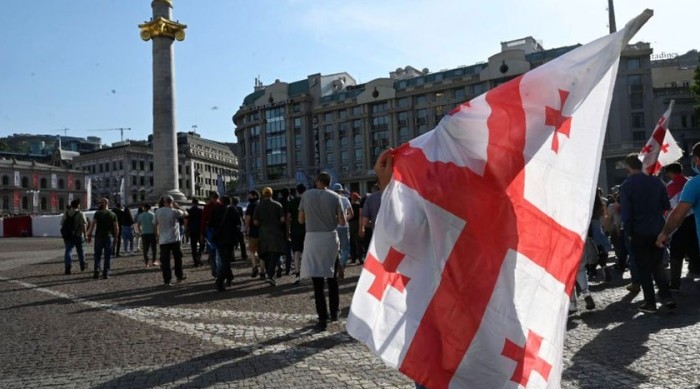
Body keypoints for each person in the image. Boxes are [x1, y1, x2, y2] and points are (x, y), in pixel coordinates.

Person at [620, 153, 674, 313]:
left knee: (643, 268)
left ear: (629, 167)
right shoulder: (656, 181)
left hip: (638, 231)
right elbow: (666, 204)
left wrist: (628, 232)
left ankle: (650, 302)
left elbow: (627, 213)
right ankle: (666, 297)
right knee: (658, 265)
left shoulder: (627, 185)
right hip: (658, 230)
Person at [299, 173, 346, 331]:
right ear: (329, 183)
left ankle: (322, 318)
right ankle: (334, 311)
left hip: (312, 239)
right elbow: (342, 221)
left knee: (317, 282)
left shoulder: (306, 195)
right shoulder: (335, 197)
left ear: (317, 181)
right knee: (332, 279)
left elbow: (300, 220)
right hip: (330, 239)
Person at [659, 143, 700, 282]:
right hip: (693, 221)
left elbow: (674, 211)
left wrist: (665, 232)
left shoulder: (691, 184)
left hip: (681, 222)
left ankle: (675, 283)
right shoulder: (689, 181)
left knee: (676, 251)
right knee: (693, 248)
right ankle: (695, 270)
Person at [254, 187, 287, 286]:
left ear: (263, 195)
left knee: (266, 255)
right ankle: (270, 276)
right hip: (276, 233)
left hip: (263, 234)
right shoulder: (277, 205)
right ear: (272, 194)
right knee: (274, 255)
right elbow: (282, 219)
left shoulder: (258, 207)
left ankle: (269, 275)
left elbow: (255, 222)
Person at [154, 195, 188, 286]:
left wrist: (157, 235)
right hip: (175, 240)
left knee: (165, 261)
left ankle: (167, 280)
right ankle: (179, 276)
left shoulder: (158, 211)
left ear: (164, 202)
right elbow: (186, 213)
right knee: (178, 259)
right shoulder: (175, 211)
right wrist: (177, 206)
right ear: (172, 202)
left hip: (163, 240)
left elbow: (154, 224)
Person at [212, 196, 240, 291]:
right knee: (226, 260)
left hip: (219, 238)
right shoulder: (233, 210)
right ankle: (220, 281)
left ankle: (229, 277)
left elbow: (211, 224)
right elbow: (238, 225)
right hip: (229, 238)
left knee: (224, 259)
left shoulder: (215, 209)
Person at [86, 198, 119, 280]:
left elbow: (92, 225)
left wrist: (89, 234)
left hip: (99, 236)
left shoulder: (97, 213)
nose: (99, 204)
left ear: (105, 203)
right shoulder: (112, 214)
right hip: (108, 236)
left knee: (97, 255)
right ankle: (106, 273)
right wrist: (116, 237)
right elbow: (116, 227)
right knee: (107, 255)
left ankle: (96, 270)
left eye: (100, 203)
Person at [60, 199, 88, 274]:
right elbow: (83, 225)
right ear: (78, 205)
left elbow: (62, 223)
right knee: (80, 251)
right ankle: (82, 265)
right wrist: (85, 235)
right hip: (78, 236)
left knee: (68, 251)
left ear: (71, 205)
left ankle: (68, 267)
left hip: (68, 236)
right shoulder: (81, 213)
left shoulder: (66, 213)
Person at [201, 191, 224, 278]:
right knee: (220, 252)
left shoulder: (207, 207)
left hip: (211, 231)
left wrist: (202, 233)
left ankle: (215, 271)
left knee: (212, 253)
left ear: (211, 197)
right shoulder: (222, 206)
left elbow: (203, 221)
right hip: (221, 232)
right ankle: (220, 270)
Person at [287, 184, 306, 284]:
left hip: (295, 230)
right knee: (306, 251)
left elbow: (288, 217)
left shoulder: (292, 202)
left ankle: (297, 272)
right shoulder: (307, 201)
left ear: (297, 191)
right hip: (307, 229)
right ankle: (307, 272)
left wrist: (288, 230)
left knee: (296, 251)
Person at [332, 183, 354, 270]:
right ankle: (341, 263)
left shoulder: (331, 200)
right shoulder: (345, 199)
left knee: (336, 248)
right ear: (341, 191)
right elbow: (351, 214)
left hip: (333, 227)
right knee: (345, 248)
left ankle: (338, 263)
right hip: (344, 226)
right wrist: (345, 219)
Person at [245, 190, 263, 279]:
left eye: (250, 196)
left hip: (253, 232)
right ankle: (263, 271)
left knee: (252, 250)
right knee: (262, 252)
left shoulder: (250, 206)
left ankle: (255, 266)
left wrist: (245, 230)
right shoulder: (261, 204)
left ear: (255, 196)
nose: (248, 197)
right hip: (263, 231)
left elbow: (248, 219)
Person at [186, 198, 203, 267]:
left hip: (192, 230)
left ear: (192, 203)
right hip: (199, 230)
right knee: (202, 244)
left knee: (193, 247)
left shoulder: (189, 211)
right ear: (198, 203)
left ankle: (195, 262)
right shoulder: (201, 210)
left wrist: (187, 229)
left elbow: (187, 221)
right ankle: (199, 256)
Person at [231, 196, 248, 261]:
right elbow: (242, 218)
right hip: (240, 227)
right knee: (242, 243)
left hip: (232, 228)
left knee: (232, 243)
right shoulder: (240, 208)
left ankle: (232, 257)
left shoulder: (229, 208)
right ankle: (244, 255)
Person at [348, 192, 363, 264]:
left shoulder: (349, 206)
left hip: (350, 224)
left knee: (351, 242)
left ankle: (353, 258)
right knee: (359, 242)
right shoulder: (359, 206)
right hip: (357, 223)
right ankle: (360, 258)